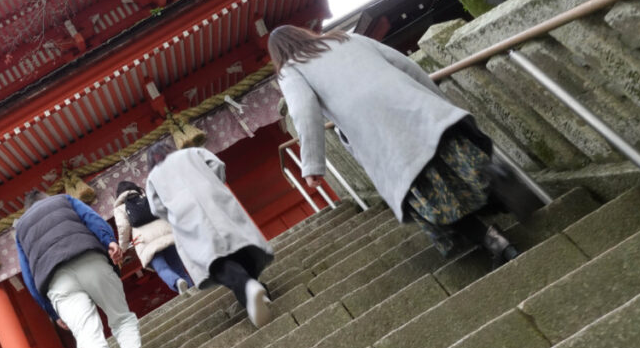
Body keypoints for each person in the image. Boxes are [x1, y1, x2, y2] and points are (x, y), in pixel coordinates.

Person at [267, 24, 519, 267]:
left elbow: (303, 110)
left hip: (380, 134)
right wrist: (437, 101)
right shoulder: (345, 38)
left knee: (425, 197)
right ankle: (494, 174)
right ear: (303, 34)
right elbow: (404, 64)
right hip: (415, 106)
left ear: (278, 55)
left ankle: (494, 242)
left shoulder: (291, 70)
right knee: (454, 160)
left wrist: (312, 165)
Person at [15, 192, 152, 348]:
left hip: (56, 281)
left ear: (27, 209)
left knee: (88, 338)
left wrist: (51, 311)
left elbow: (29, 276)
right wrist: (109, 241)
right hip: (89, 258)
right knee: (120, 316)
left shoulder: (21, 229)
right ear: (45, 197)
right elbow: (92, 219)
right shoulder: (63, 199)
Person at [145, 142, 275, 327]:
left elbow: (156, 207)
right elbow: (217, 165)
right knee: (238, 246)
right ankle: (255, 289)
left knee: (212, 260)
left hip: (185, 215)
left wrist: (174, 215)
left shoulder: (153, 178)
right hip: (215, 201)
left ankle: (247, 286)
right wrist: (212, 184)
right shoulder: (192, 152)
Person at [113, 180, 194, 295]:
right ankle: (195, 291)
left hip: (146, 243)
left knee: (162, 268)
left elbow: (123, 227)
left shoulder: (120, 208)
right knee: (179, 269)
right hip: (166, 235)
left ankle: (176, 281)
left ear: (119, 195)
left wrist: (123, 247)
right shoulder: (147, 197)